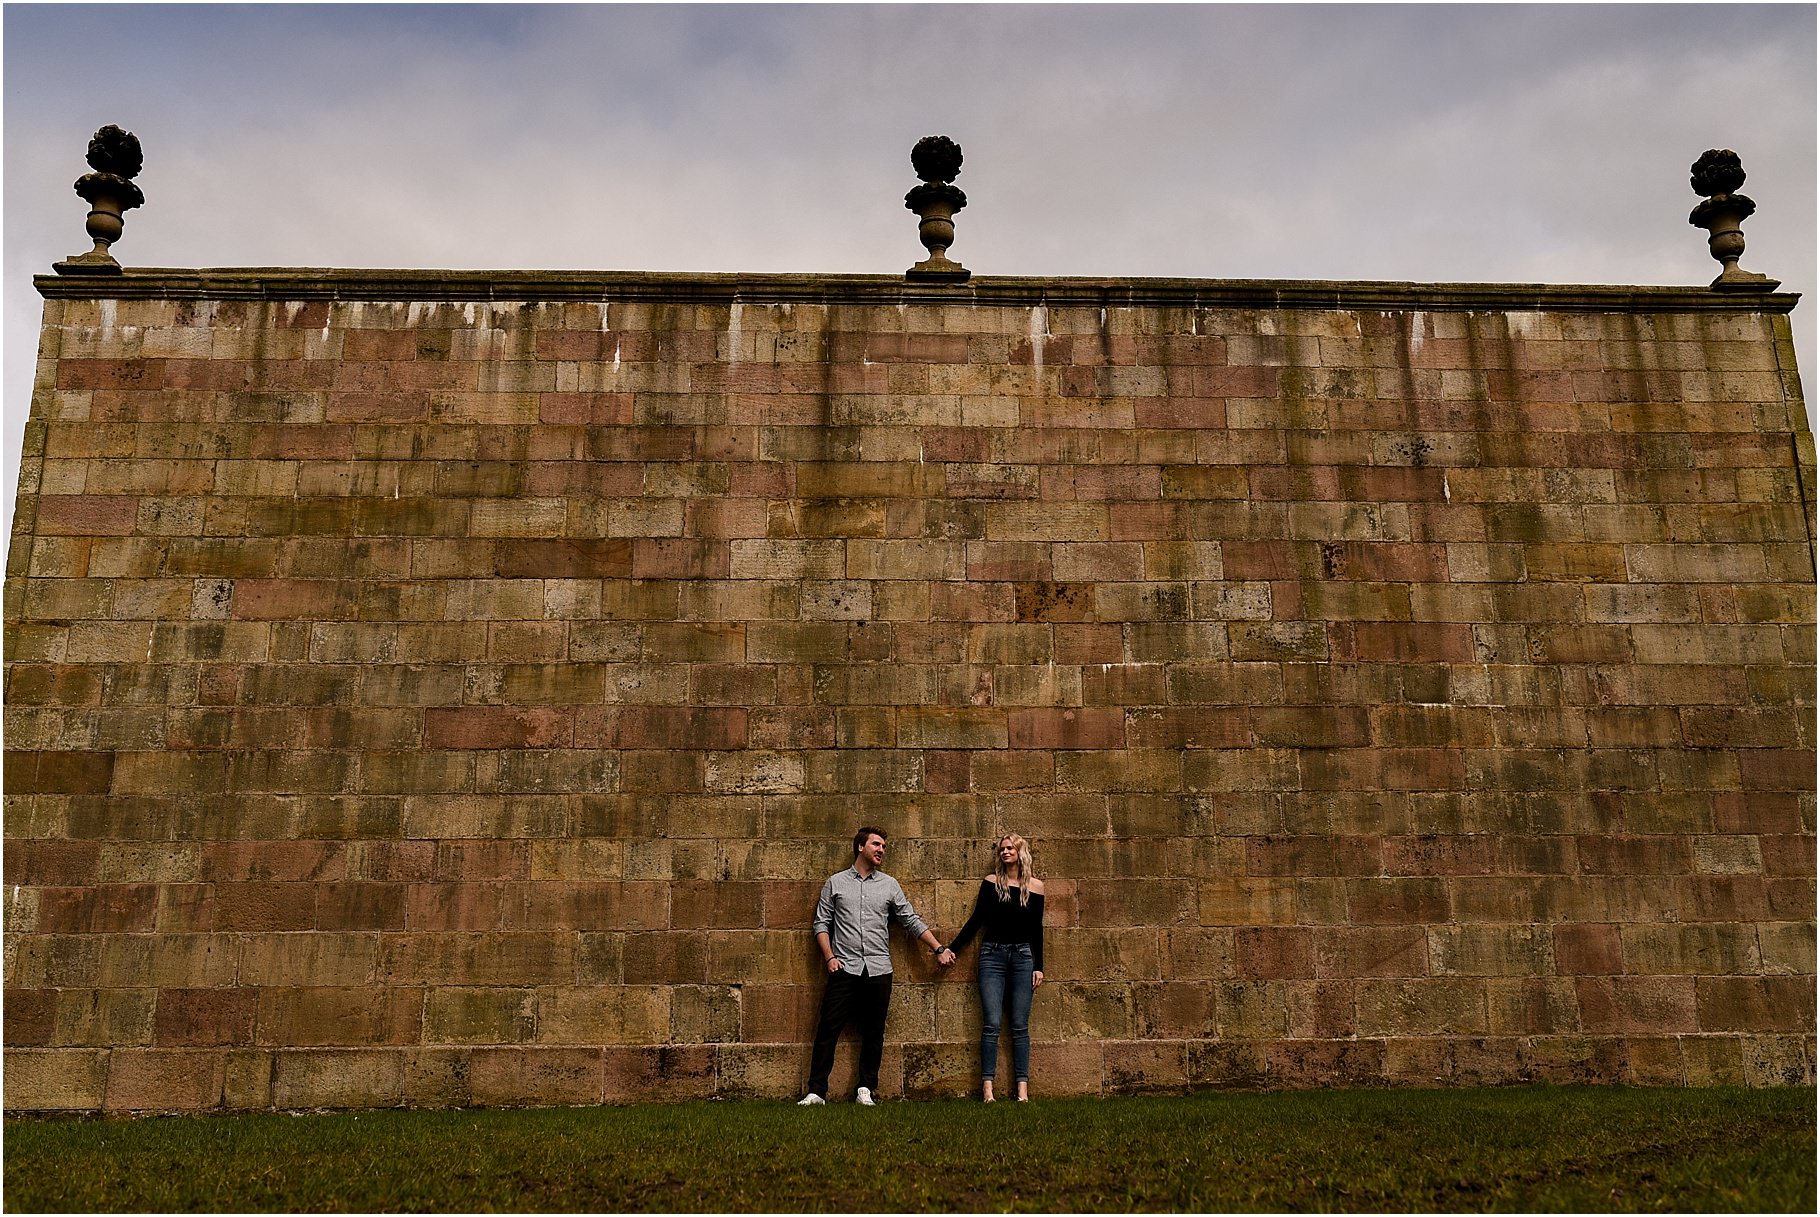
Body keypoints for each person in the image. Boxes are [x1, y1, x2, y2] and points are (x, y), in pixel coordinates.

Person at [798, 826, 952, 1105]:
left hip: (879, 970)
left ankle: (865, 1089)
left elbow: (910, 919)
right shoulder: (835, 883)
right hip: (844, 968)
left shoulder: (889, 885)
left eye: (883, 846)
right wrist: (830, 957)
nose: (881, 850)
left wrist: (938, 947)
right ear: (860, 847)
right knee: (827, 1029)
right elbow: (821, 923)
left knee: (874, 1031)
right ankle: (816, 1091)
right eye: (876, 844)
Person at [946, 833, 1045, 1102]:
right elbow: (976, 921)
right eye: (1002, 849)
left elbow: (1036, 930)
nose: (1004, 852)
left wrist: (1039, 966)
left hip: (1023, 958)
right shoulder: (991, 883)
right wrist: (951, 948)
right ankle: (987, 1089)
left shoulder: (1035, 887)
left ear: (1020, 851)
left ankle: (1022, 1090)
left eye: (1010, 848)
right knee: (991, 1023)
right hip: (992, 957)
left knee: (1019, 1025)